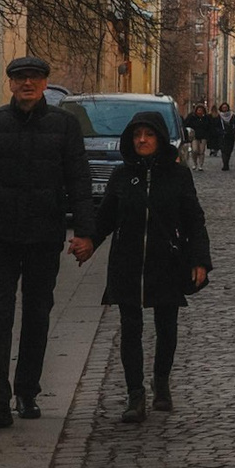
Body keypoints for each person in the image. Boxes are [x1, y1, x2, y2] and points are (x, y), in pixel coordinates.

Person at [0, 55, 95, 429]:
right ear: (12, 84)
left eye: (34, 78)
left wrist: (85, 233)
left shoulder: (64, 125)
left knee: (37, 314)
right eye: (20, 78)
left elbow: (79, 181)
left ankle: (27, 391)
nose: (27, 84)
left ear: (45, 83)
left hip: (43, 236)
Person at [90, 110, 211, 422]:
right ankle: (135, 394)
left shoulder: (178, 175)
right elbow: (104, 219)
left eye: (149, 134)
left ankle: (161, 382)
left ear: (159, 138)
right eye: (137, 135)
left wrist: (200, 260)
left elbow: (194, 220)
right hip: (127, 263)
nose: (142, 140)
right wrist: (87, 242)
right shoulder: (121, 176)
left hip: (166, 262)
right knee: (130, 328)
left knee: (166, 327)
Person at [216, 101, 235, 170]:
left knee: (229, 150)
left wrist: (233, 131)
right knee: (223, 150)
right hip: (222, 136)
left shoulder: (232, 116)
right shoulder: (219, 116)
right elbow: (216, 126)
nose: (225, 109)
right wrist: (220, 132)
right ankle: (225, 164)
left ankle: (227, 162)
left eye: (226, 107)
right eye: (223, 107)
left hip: (230, 136)